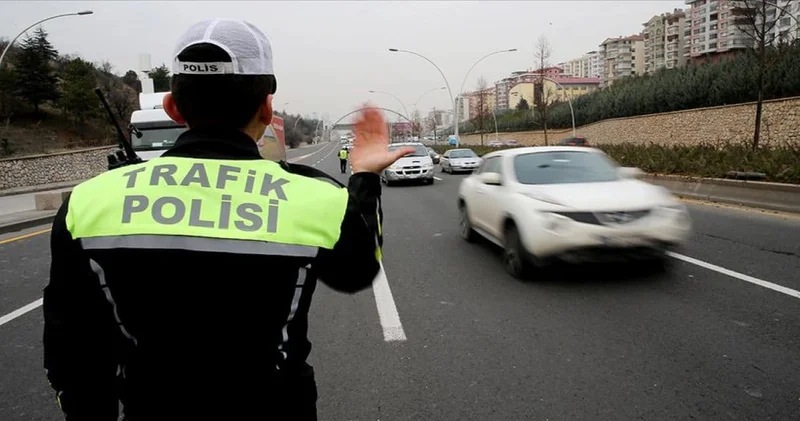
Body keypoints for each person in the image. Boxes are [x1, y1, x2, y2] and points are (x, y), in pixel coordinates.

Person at [43, 19, 413, 421]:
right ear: (266, 108)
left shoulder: (89, 202)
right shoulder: (317, 197)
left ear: (173, 107)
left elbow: (75, 353)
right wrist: (364, 178)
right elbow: (357, 272)